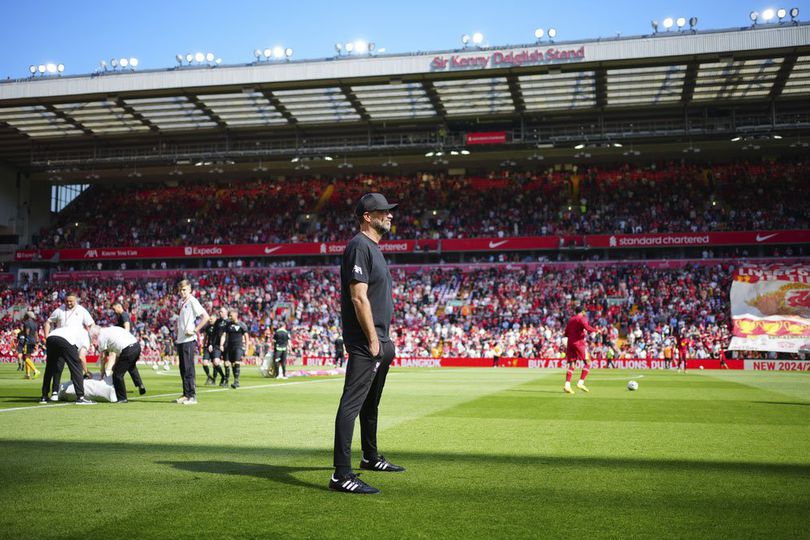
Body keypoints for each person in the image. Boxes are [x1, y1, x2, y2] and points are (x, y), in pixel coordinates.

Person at [330, 192, 404, 495]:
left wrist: (385, 340)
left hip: (380, 340)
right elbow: (358, 297)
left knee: (371, 404)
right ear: (367, 216)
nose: (390, 215)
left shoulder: (373, 248)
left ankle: (370, 457)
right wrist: (374, 339)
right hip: (365, 341)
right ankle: (341, 475)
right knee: (352, 404)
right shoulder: (359, 246)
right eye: (384, 211)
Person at [43, 292, 95, 401]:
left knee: (50, 368)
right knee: (68, 367)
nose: (69, 303)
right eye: (67, 301)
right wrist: (46, 336)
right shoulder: (59, 310)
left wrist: (49, 338)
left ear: (76, 300)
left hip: (59, 339)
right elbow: (48, 322)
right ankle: (78, 396)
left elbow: (91, 324)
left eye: (71, 301)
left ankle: (45, 396)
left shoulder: (81, 310)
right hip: (67, 341)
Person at [174, 279, 209, 405]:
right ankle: (185, 394)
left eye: (184, 290)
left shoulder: (193, 301)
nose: (182, 292)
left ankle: (192, 396)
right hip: (181, 339)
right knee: (183, 368)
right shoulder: (181, 302)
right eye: (180, 290)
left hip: (189, 339)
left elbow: (206, 317)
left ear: (190, 289)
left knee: (189, 368)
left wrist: (195, 330)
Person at [39, 325, 95, 405]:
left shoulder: (77, 330)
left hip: (51, 337)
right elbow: (81, 357)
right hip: (65, 340)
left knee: (50, 368)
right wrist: (86, 372)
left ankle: (44, 396)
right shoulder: (86, 337)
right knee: (76, 367)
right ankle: (80, 397)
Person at [92, 325, 142, 403]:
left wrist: (102, 371)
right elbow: (120, 351)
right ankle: (140, 384)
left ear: (95, 335)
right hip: (136, 346)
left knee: (117, 375)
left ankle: (122, 398)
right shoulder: (112, 329)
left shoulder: (101, 337)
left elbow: (103, 356)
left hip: (128, 350)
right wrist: (115, 365)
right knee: (131, 366)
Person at [563, 302, 597, 394]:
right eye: (584, 311)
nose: (585, 313)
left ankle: (567, 385)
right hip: (579, 343)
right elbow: (587, 328)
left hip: (570, 343)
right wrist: (596, 330)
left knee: (572, 365)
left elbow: (565, 333)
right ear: (582, 311)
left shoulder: (571, 320)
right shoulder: (582, 318)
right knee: (588, 362)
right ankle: (581, 382)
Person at [112, 302, 145, 395]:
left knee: (119, 370)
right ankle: (140, 385)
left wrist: (123, 336)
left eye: (114, 309)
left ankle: (118, 389)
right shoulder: (121, 316)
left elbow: (127, 326)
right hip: (132, 344)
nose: (114, 311)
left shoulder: (123, 315)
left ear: (119, 307)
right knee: (131, 366)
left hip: (127, 344)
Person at [223, 309, 249, 388]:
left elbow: (246, 337)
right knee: (228, 364)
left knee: (236, 362)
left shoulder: (242, 325)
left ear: (236, 315)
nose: (229, 317)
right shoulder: (228, 325)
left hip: (238, 346)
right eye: (229, 315)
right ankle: (226, 381)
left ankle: (236, 381)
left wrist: (247, 348)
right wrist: (222, 344)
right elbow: (224, 335)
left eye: (231, 315)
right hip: (229, 347)